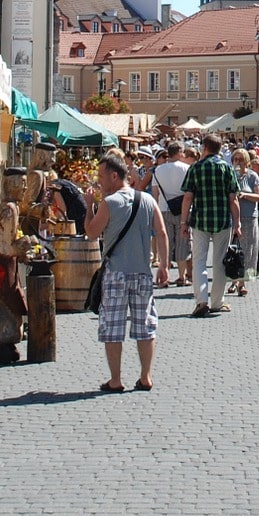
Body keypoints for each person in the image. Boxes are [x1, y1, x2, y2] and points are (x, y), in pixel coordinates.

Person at [83, 153, 169, 392]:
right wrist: (163, 265)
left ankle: (116, 379)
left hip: (116, 273)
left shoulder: (109, 204)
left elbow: (91, 233)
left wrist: (89, 207)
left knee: (112, 326)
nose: (99, 181)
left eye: (101, 176)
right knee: (145, 325)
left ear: (114, 176)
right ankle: (146, 376)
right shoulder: (148, 200)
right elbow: (161, 233)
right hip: (142, 272)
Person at [179, 134, 240, 317]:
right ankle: (217, 302)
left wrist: (184, 222)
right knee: (220, 262)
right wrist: (237, 223)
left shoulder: (195, 168)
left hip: (201, 220)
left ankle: (201, 301)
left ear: (204, 148)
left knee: (199, 261)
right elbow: (233, 199)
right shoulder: (227, 168)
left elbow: (188, 197)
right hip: (222, 220)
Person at [151, 141, 193, 286]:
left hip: (163, 209)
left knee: (166, 242)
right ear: (180, 152)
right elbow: (191, 193)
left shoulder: (158, 170)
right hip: (184, 210)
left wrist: (154, 214)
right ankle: (182, 276)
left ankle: (165, 276)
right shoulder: (187, 168)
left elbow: (155, 194)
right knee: (183, 243)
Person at [228, 147, 259, 298]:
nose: (238, 162)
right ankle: (233, 279)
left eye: (241, 159)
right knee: (232, 251)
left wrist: (245, 195)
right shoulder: (230, 175)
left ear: (247, 161)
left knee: (248, 251)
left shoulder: (253, 176)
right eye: (236, 159)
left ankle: (243, 283)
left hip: (249, 217)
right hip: (232, 218)